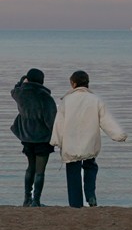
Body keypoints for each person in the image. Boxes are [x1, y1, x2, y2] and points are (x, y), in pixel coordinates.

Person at [50, 70, 127, 208]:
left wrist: (55, 141)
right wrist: (119, 135)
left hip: (71, 144)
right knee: (90, 167)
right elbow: (106, 121)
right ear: (87, 84)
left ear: (73, 84)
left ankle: (75, 204)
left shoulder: (66, 100)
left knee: (73, 173)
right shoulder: (96, 100)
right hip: (90, 142)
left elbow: (59, 123)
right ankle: (90, 195)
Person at [10, 68, 57, 207]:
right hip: (42, 138)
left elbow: (14, 89)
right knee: (40, 171)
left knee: (30, 167)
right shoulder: (44, 96)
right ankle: (36, 201)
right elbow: (51, 121)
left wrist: (22, 81)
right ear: (42, 80)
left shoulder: (20, 93)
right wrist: (58, 136)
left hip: (26, 137)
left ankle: (26, 199)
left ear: (28, 79)